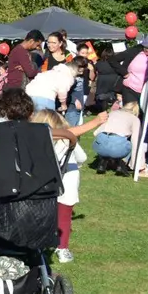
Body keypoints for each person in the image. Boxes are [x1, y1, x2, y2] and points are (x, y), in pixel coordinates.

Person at [30, 108, 105, 263]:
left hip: (44, 183)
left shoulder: (35, 142)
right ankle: (63, 249)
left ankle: (38, 244)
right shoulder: (67, 138)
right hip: (68, 182)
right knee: (64, 217)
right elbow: (82, 158)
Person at [92, 101, 143, 174]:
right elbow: (136, 141)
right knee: (129, 143)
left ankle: (103, 161)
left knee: (106, 141)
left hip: (100, 144)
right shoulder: (135, 119)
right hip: (117, 144)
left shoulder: (112, 113)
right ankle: (121, 163)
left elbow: (96, 133)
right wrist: (137, 165)